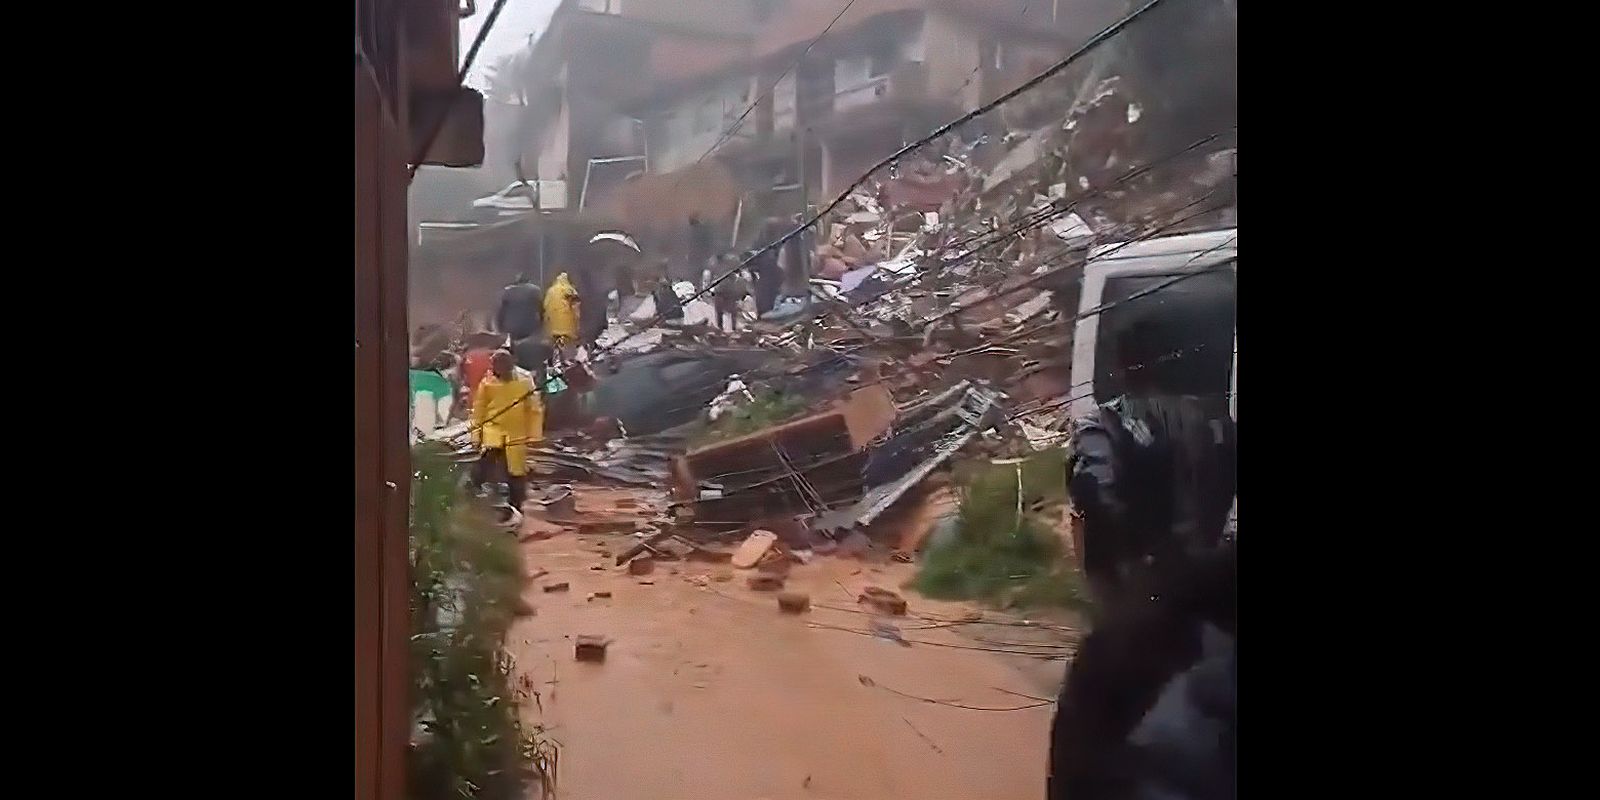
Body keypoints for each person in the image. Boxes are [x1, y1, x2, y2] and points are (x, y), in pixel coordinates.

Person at [470, 350, 544, 522]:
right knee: (485, 463)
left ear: (511, 363)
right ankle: (473, 494)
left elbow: (534, 410)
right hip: (493, 429)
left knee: (516, 472)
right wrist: (476, 435)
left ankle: (515, 506)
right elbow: (479, 410)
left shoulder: (525, 381)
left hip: (516, 432)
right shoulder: (487, 382)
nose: (499, 369)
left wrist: (534, 436)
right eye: (496, 365)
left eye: (503, 364)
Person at [495, 274, 544, 344]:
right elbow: (541, 310)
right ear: (528, 281)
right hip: (529, 328)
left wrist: (500, 328)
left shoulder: (507, 292)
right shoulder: (535, 291)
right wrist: (541, 325)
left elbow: (500, 313)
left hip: (510, 328)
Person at [543, 272, 580, 351]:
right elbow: (576, 302)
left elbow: (545, 305)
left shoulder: (550, 291)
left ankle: (555, 355)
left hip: (553, 326)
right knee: (567, 345)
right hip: (568, 326)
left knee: (554, 345)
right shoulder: (569, 289)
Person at [711, 256, 749, 332]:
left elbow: (741, 290)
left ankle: (732, 328)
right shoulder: (722, 274)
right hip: (721, 294)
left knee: (732, 312)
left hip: (731, 296)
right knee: (720, 312)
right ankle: (720, 328)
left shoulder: (738, 278)